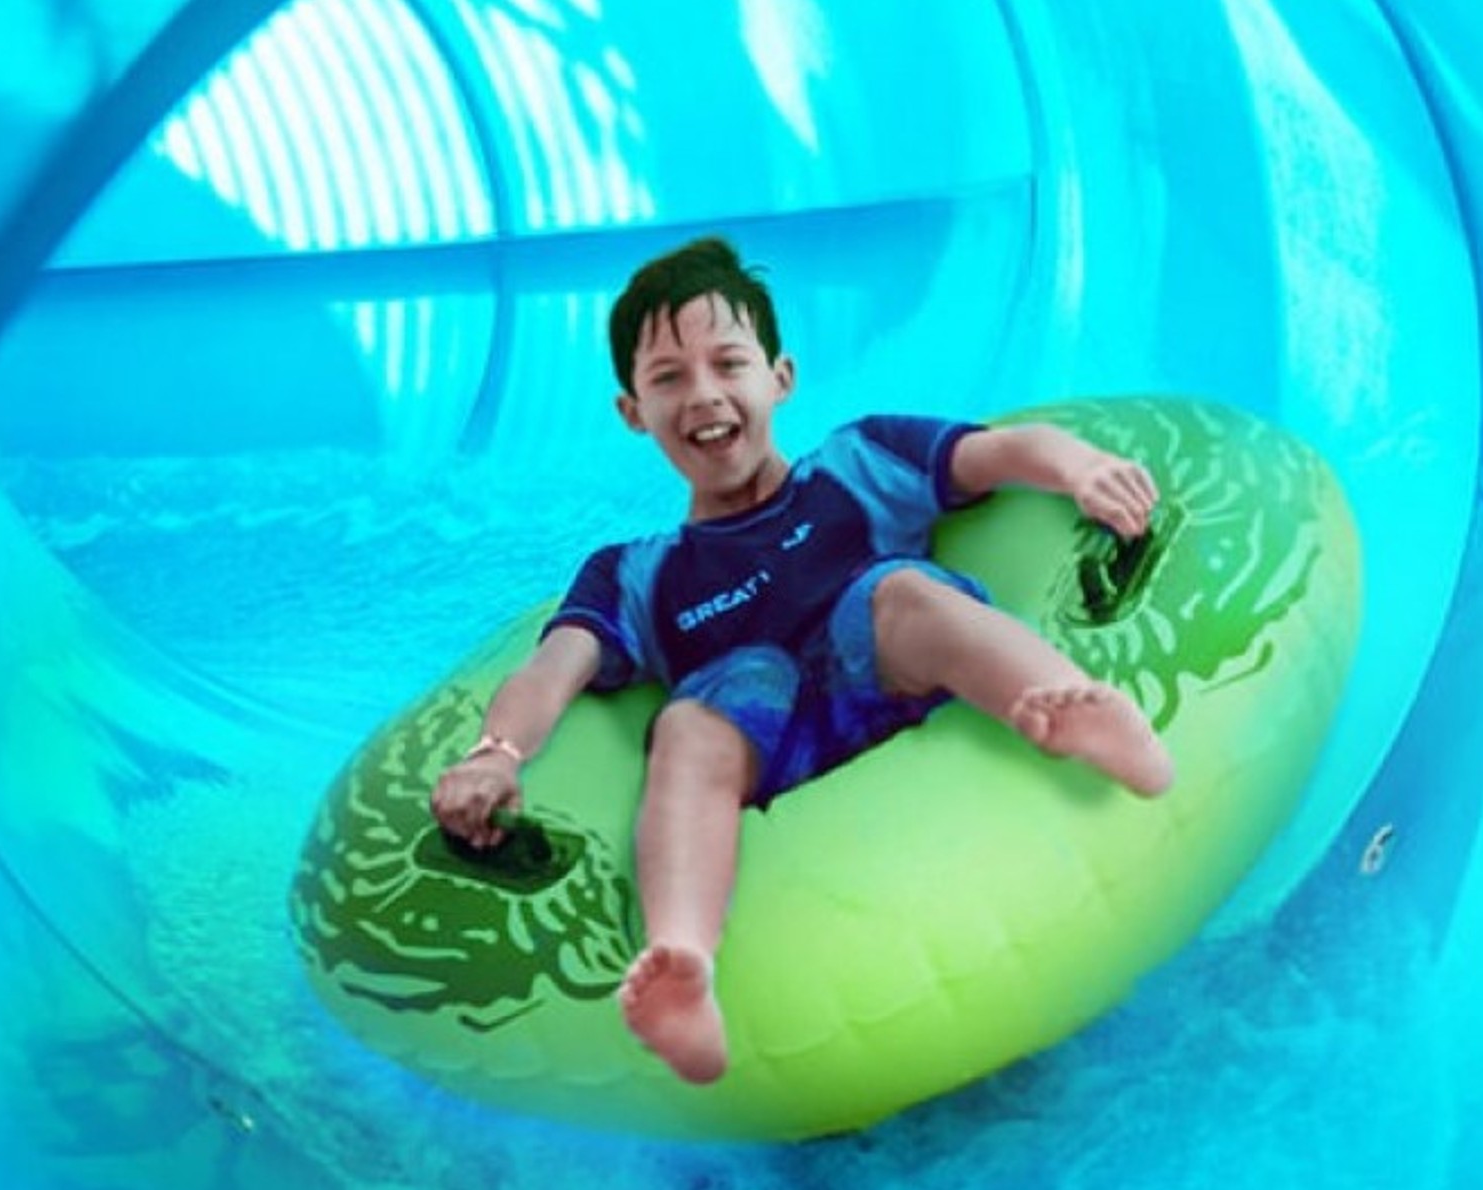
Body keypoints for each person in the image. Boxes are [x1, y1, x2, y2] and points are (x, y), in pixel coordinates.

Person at [429, 236, 1174, 1086]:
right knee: (690, 724)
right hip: (760, 731)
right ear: (632, 410)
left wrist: (1084, 468)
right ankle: (682, 963)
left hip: (885, 665)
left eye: (727, 363)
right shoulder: (634, 573)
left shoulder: (860, 463)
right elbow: (551, 670)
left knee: (900, 594)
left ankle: (1062, 704)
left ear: (778, 377)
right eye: (668, 377)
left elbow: (1001, 450)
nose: (703, 395)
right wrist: (496, 755)